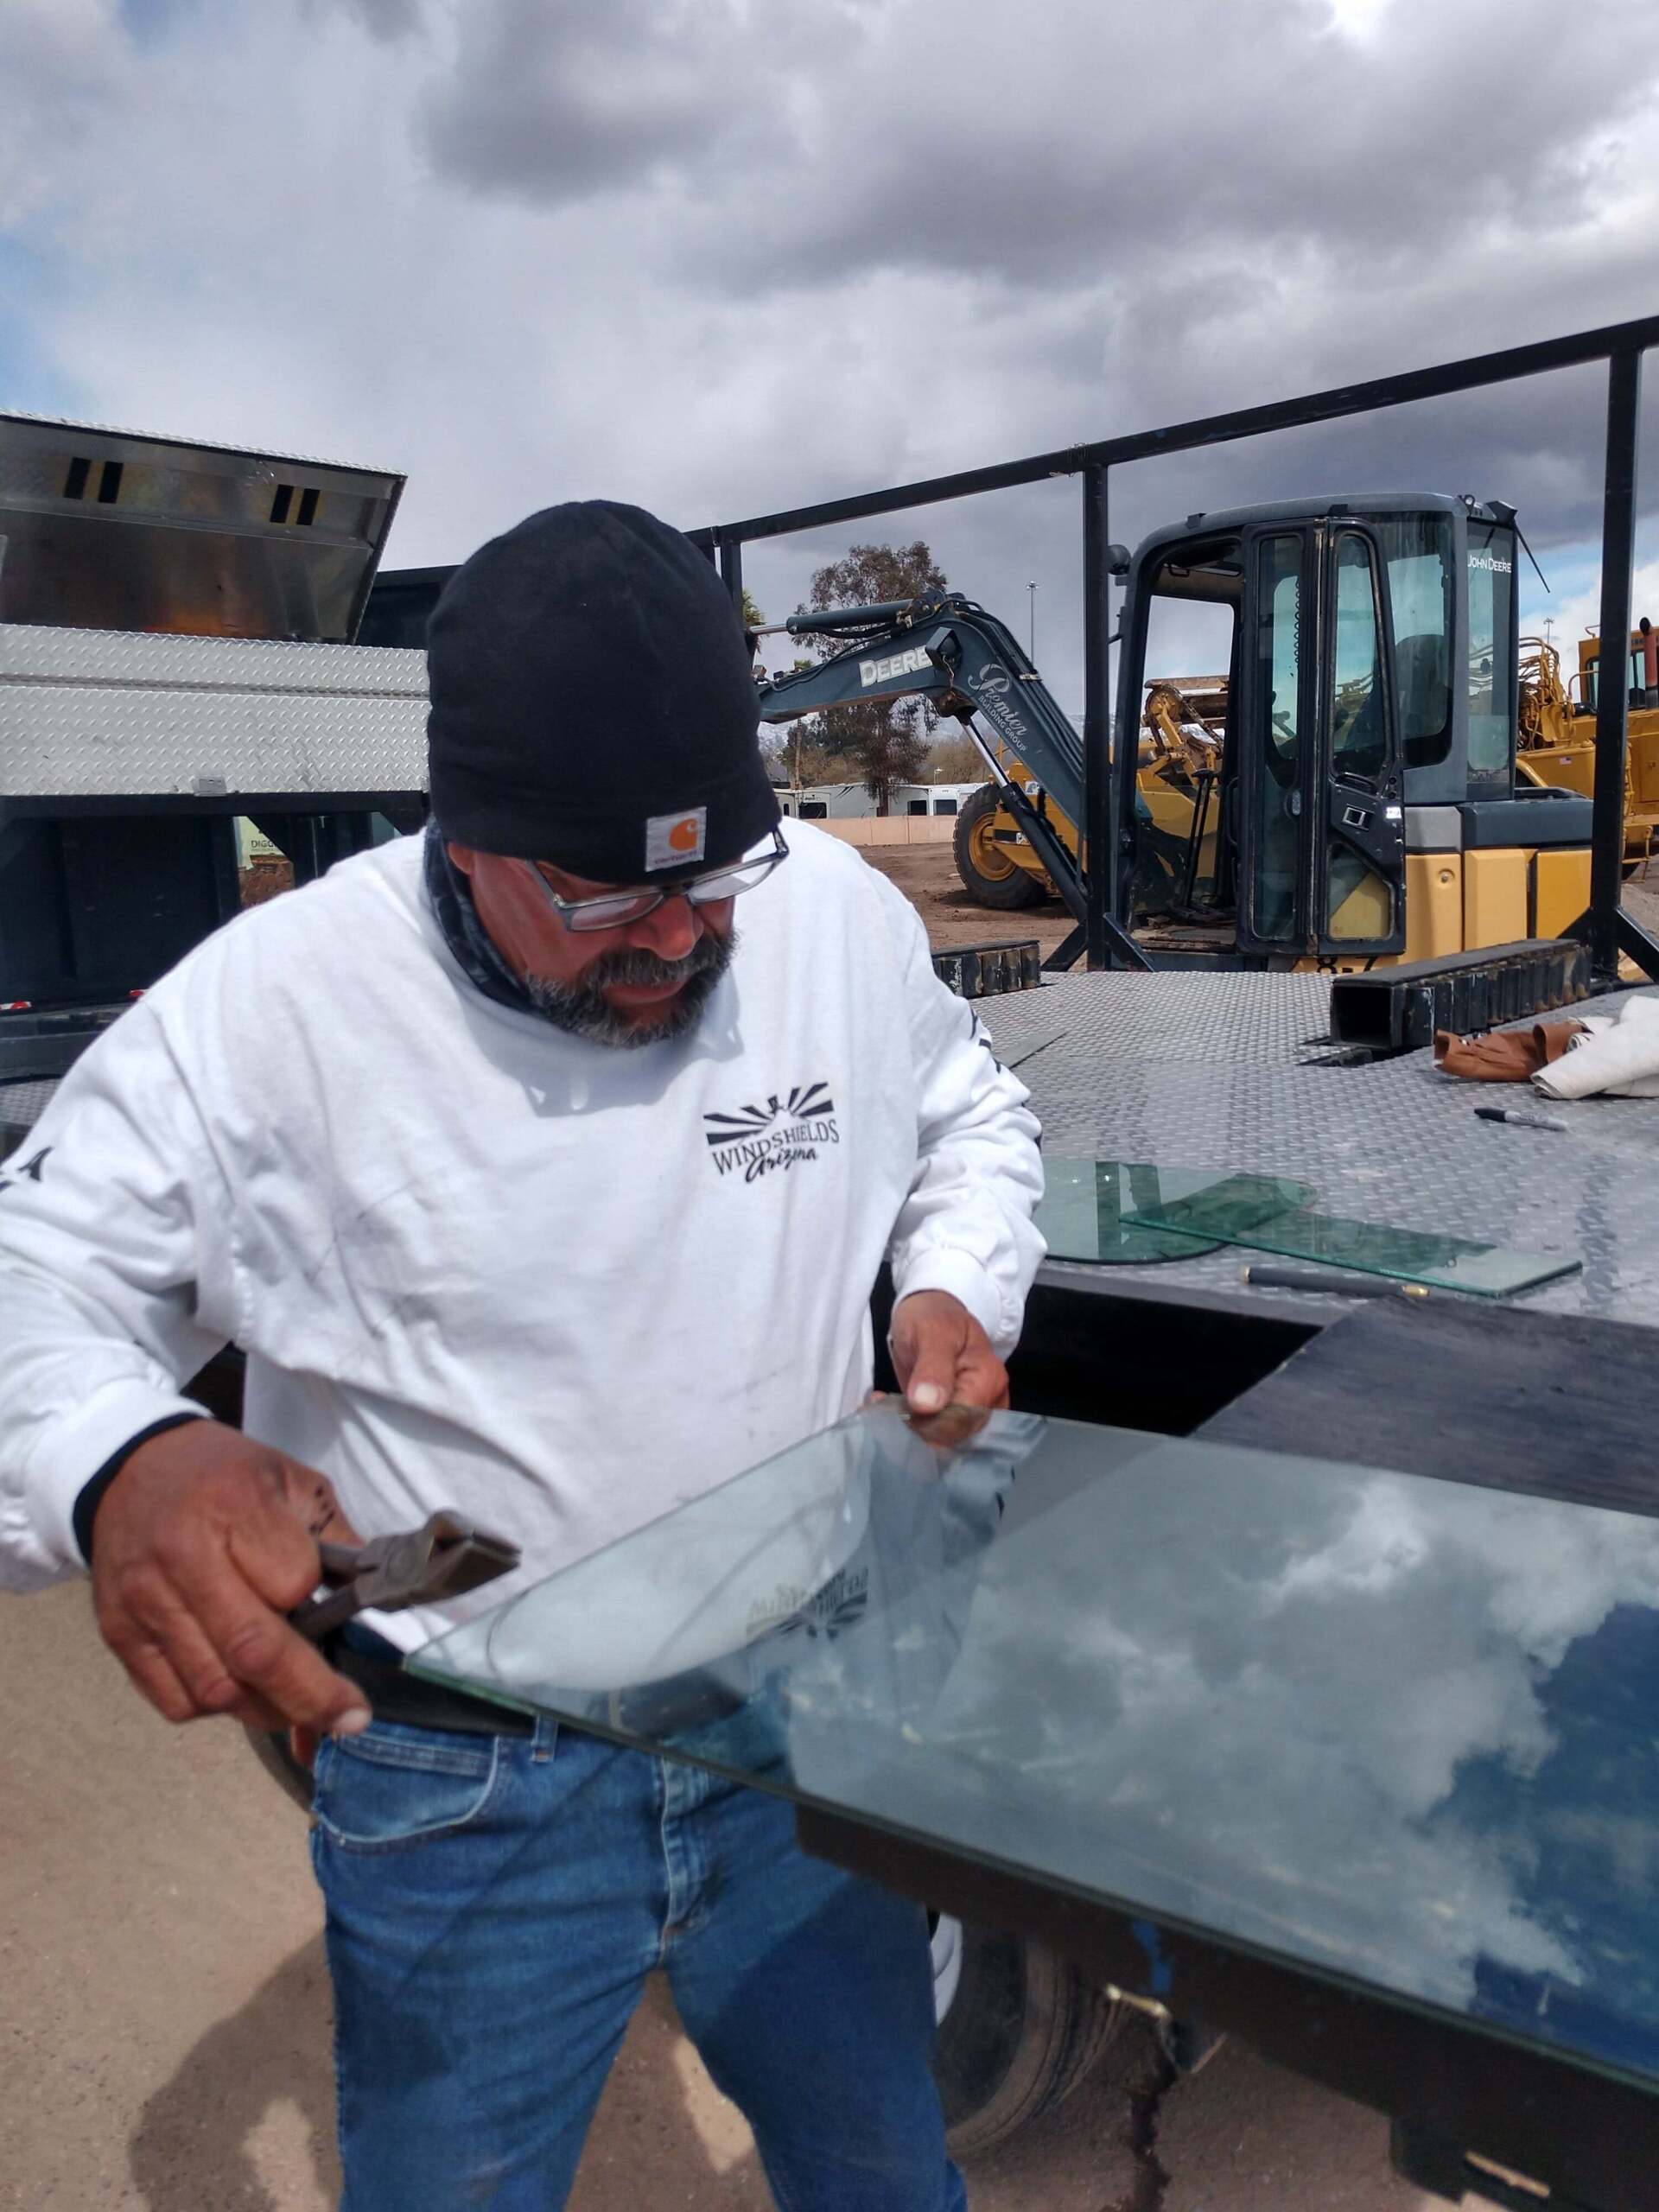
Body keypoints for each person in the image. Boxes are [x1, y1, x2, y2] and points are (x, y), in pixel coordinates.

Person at [0, 500, 1045, 2209]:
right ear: (461, 831)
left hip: (794, 1714)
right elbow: (30, 1271)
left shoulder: (828, 921)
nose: (677, 940)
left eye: (711, 880)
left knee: (883, 2174)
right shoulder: (275, 1011)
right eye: (598, 897)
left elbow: (968, 1110)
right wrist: (118, 1456)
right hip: (470, 1776)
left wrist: (952, 1286)